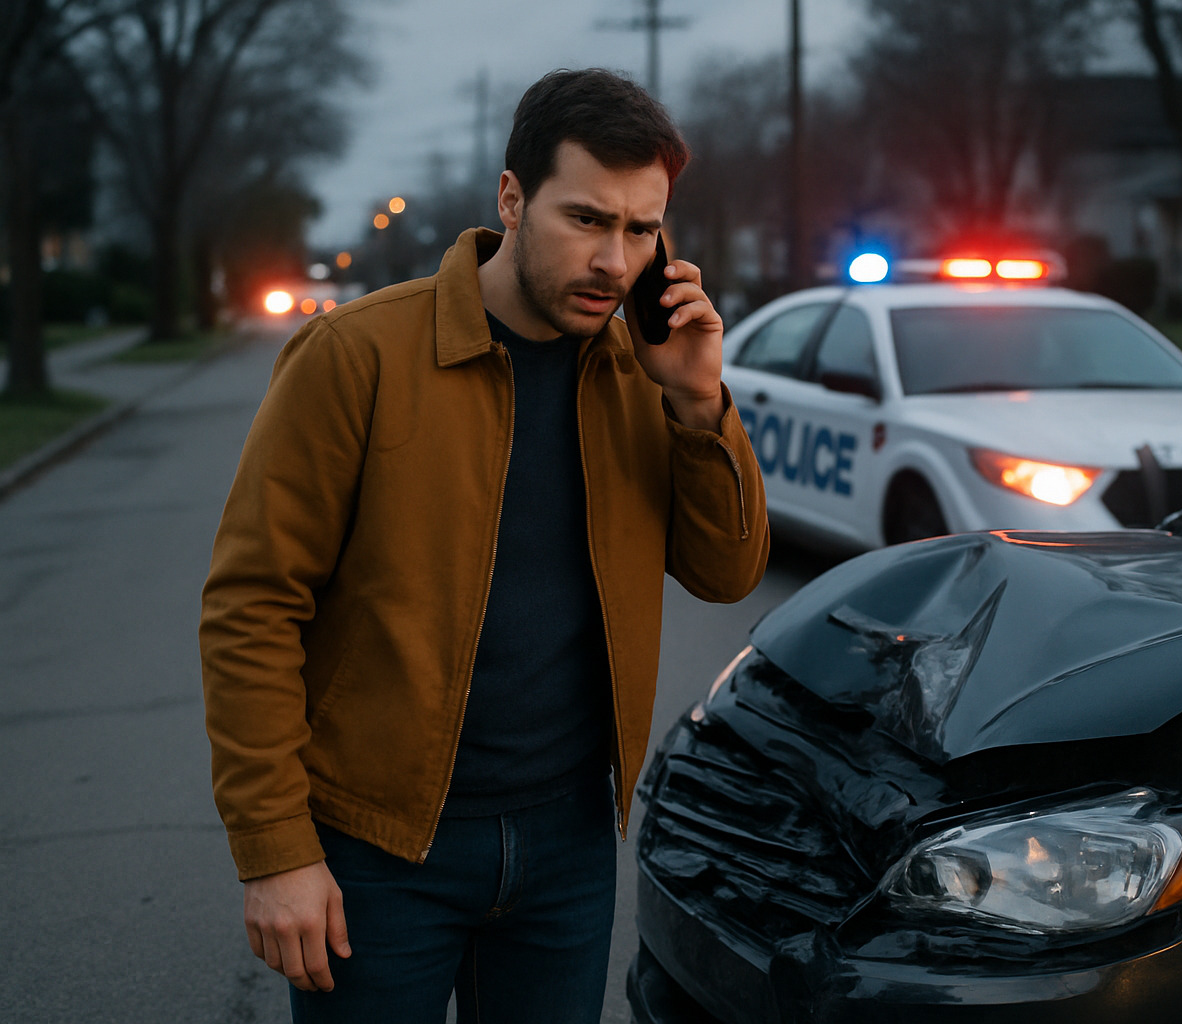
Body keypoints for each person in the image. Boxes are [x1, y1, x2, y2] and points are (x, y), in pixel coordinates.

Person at [199, 68, 769, 1022]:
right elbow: (253, 607)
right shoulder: (358, 358)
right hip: (382, 851)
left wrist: (698, 401)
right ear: (512, 198)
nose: (615, 261)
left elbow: (726, 572)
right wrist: (277, 851)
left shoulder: (645, 373)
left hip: (569, 845)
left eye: (641, 230)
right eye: (586, 219)